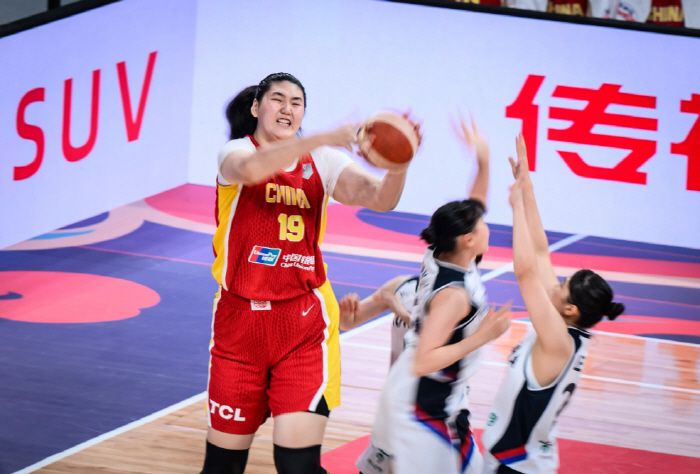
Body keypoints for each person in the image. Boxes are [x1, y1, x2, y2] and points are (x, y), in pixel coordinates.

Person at [202, 72, 420, 474]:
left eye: (296, 102)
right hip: (239, 324)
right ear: (256, 107)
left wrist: (399, 165)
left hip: (302, 324)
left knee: (297, 467)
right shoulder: (235, 152)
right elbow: (251, 171)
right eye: (278, 99)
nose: (287, 108)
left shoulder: (323, 162)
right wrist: (321, 137)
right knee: (221, 467)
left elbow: (379, 198)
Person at [357, 119, 511, 474]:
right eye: (482, 225)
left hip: (422, 392)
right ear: (468, 240)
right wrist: (484, 337)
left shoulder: (446, 253)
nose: (487, 224)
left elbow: (475, 204)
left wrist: (483, 160)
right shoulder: (454, 294)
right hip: (423, 399)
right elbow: (424, 361)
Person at [481, 135, 625, 473]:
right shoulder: (566, 328)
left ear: (571, 309)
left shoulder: (557, 340)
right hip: (521, 461)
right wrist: (526, 185)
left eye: (562, 286)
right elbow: (541, 251)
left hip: (516, 466)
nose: (555, 285)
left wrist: (517, 208)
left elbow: (525, 271)